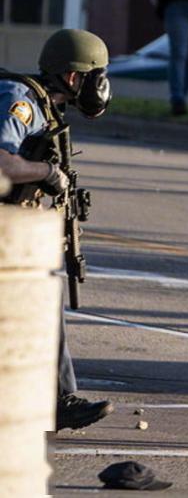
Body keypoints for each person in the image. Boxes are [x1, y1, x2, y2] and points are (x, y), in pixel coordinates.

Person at [0, 29, 115, 430]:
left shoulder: (44, 105)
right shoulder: (22, 102)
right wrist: (47, 173)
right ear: (72, 77)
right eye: (94, 75)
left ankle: (54, 400)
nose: (100, 85)